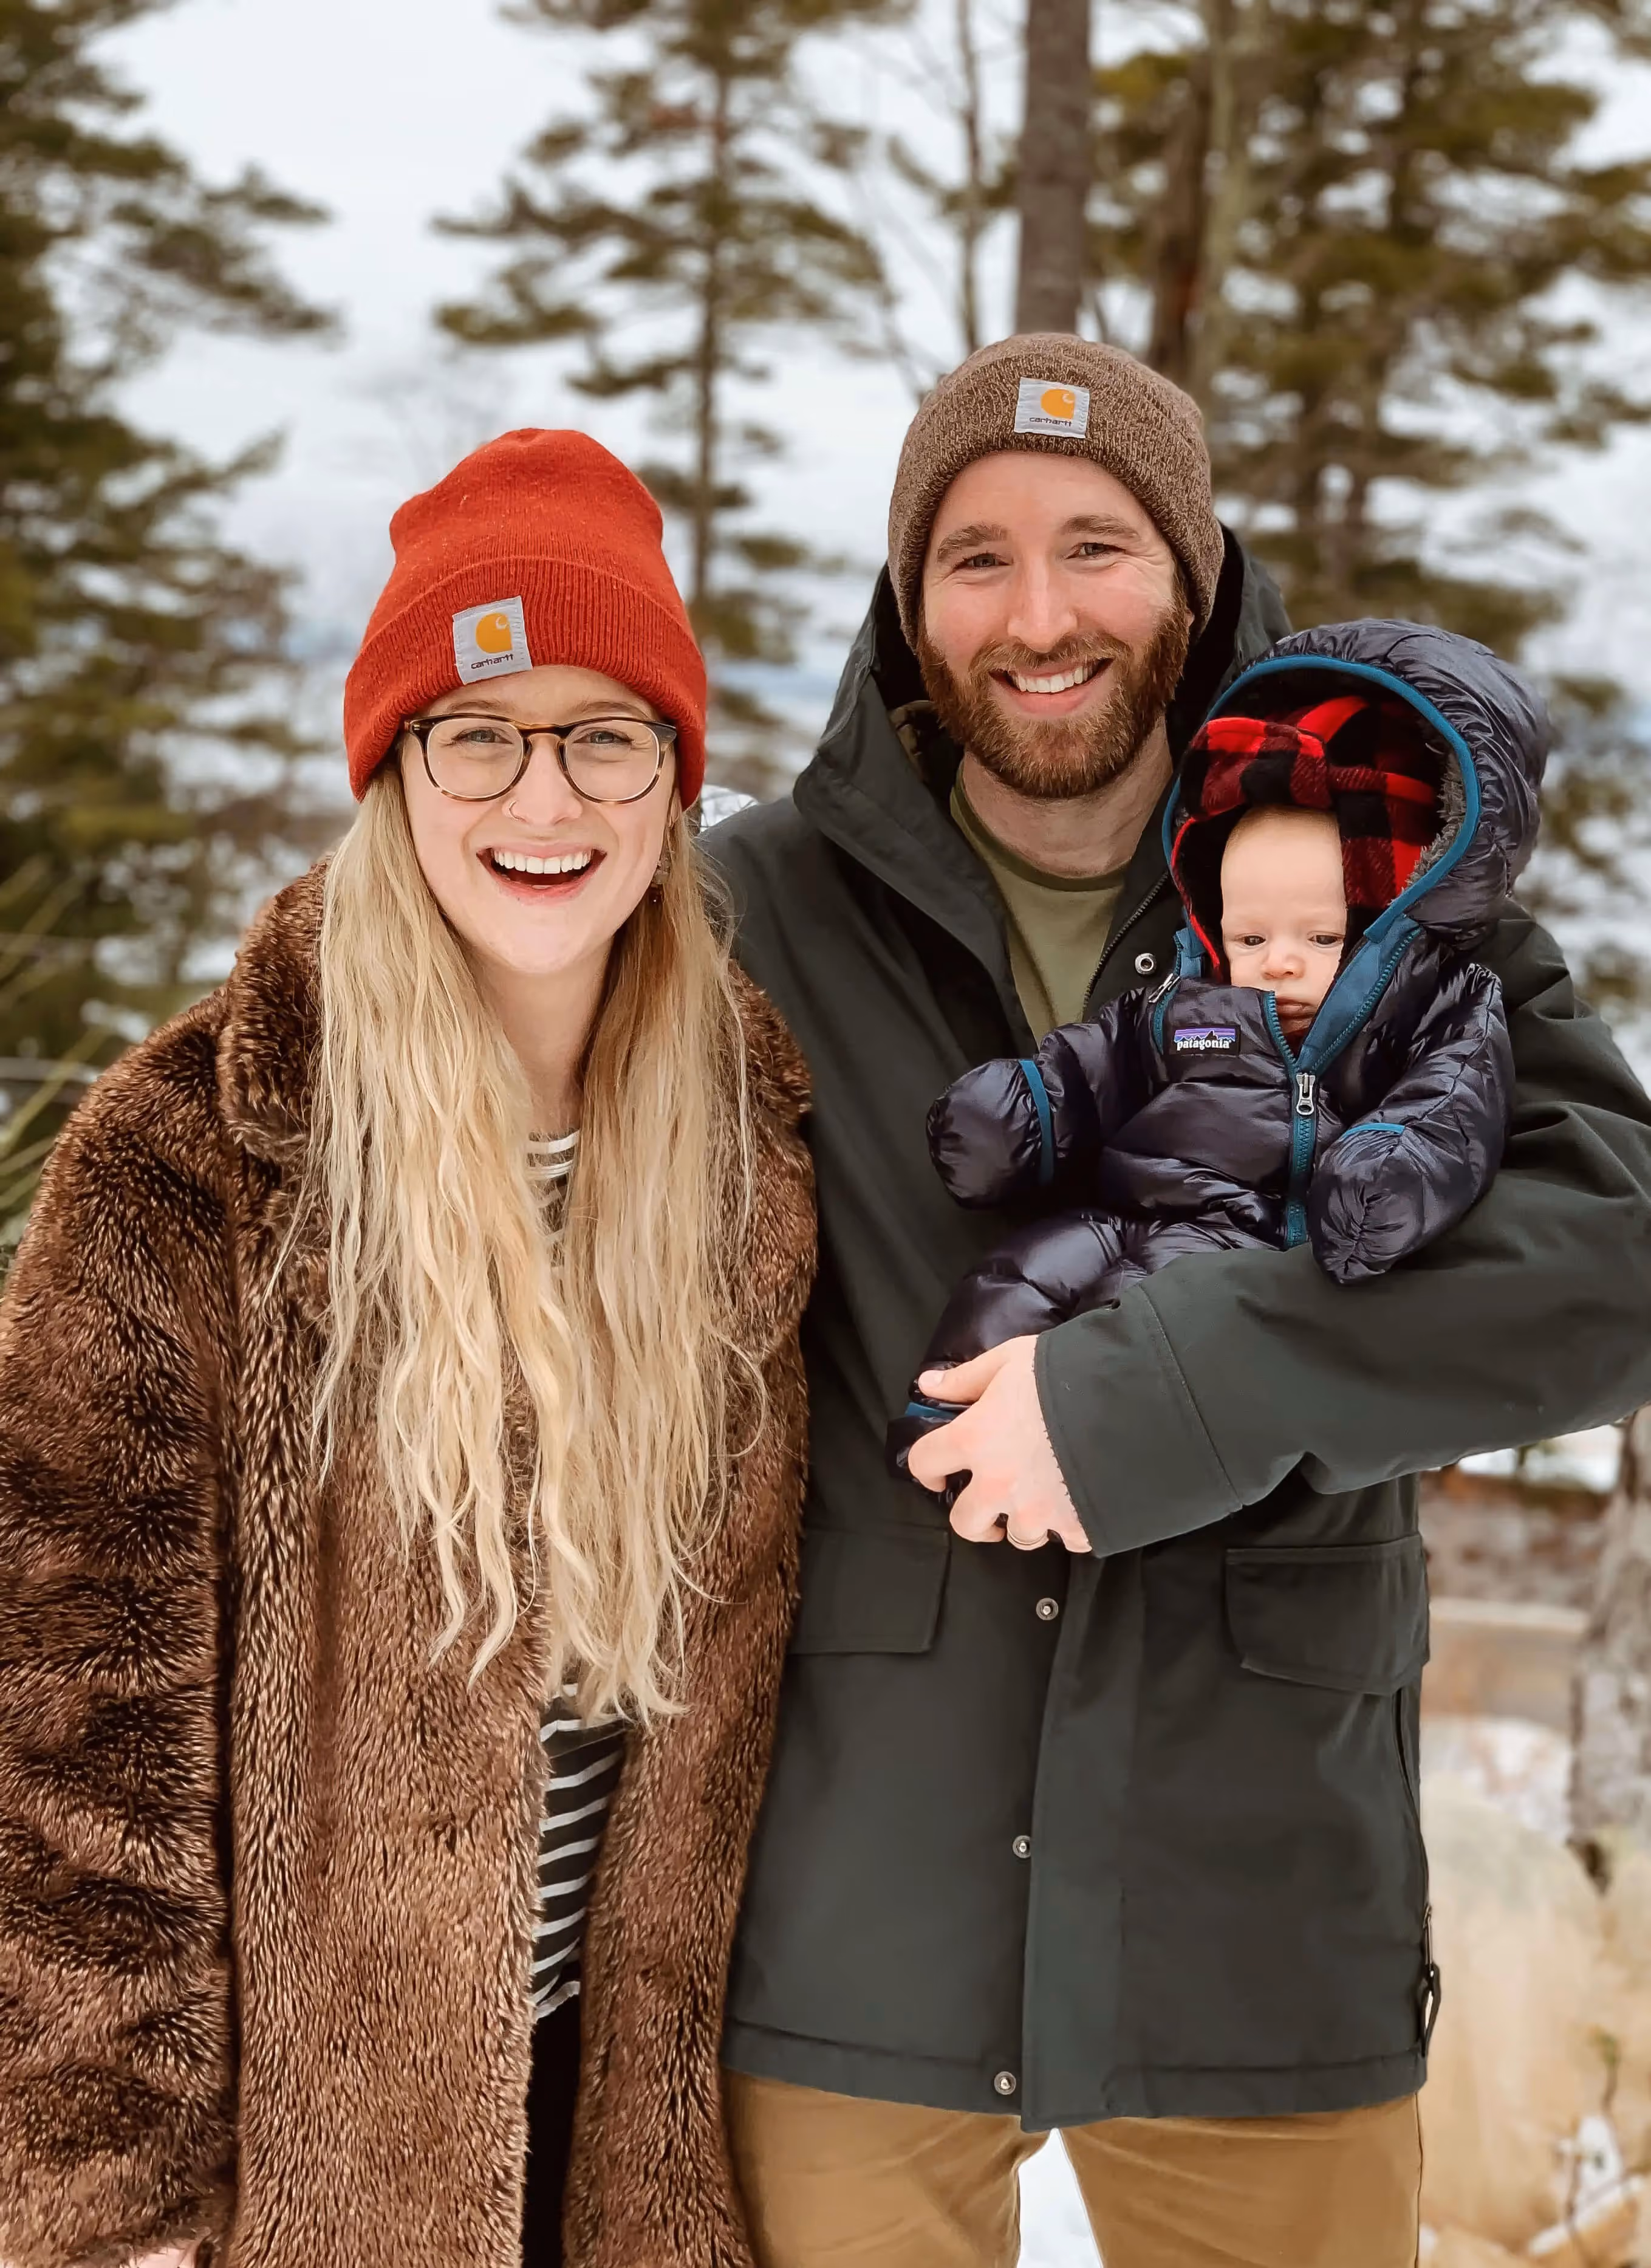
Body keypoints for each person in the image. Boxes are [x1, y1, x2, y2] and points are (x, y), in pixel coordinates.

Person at [707, 335, 1651, 2268]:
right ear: (905, 603)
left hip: (1256, 1907)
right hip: (852, 1911)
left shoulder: (1387, 881)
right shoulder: (750, 910)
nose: (1036, 614)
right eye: (972, 556)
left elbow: (1613, 1241)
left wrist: (1203, 1373)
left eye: (1096, 544)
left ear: (1198, 568)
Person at [0, 430, 815, 2268]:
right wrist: (117, 2197)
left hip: (627, 2140)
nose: (548, 792)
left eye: (605, 730)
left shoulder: (742, 1152)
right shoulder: (189, 1156)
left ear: (675, 778)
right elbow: (71, 1727)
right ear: (395, 768)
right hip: (309, 2163)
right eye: (480, 730)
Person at [889, 627, 1534, 1490]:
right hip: (1127, 1211)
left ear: (1381, 923)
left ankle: (1065, 1455)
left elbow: (1451, 1103)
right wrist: (1024, 1112)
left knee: (1131, 1328)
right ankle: (940, 1419)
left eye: (1320, 936)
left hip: (1252, 1252)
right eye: (1251, 935)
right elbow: (1100, 1062)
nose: (1278, 960)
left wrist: (1384, 1177)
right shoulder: (1188, 1008)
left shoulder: (1429, 1006)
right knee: (1019, 1274)